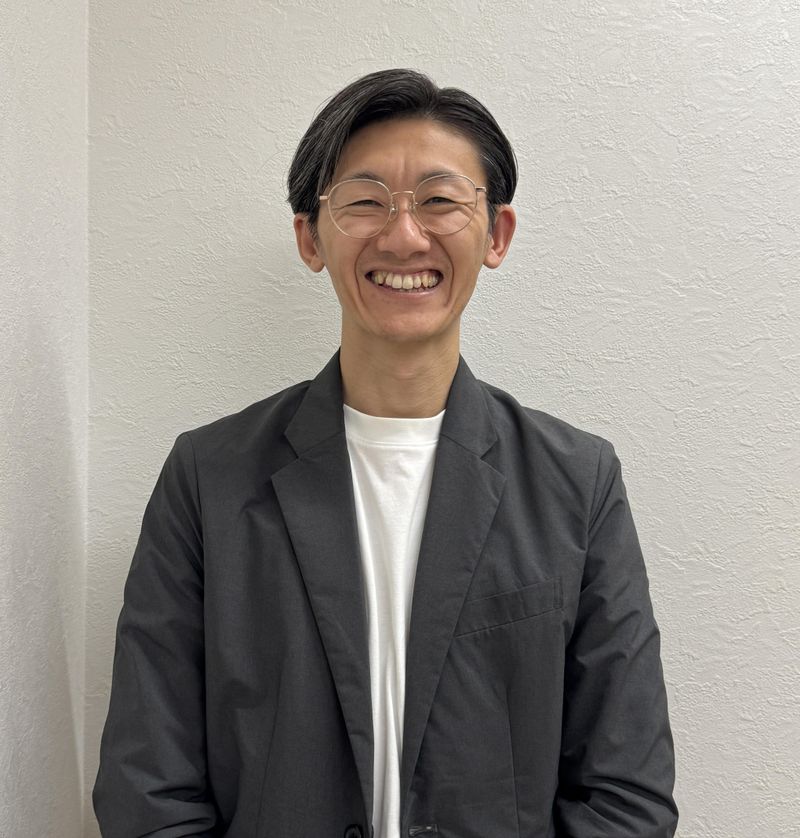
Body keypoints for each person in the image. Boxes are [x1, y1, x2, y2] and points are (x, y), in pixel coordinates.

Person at [94, 68, 678, 838]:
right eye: (365, 202)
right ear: (311, 236)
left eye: (440, 200)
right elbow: (147, 789)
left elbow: (626, 794)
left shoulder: (577, 483)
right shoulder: (208, 480)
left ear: (496, 234)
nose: (404, 236)